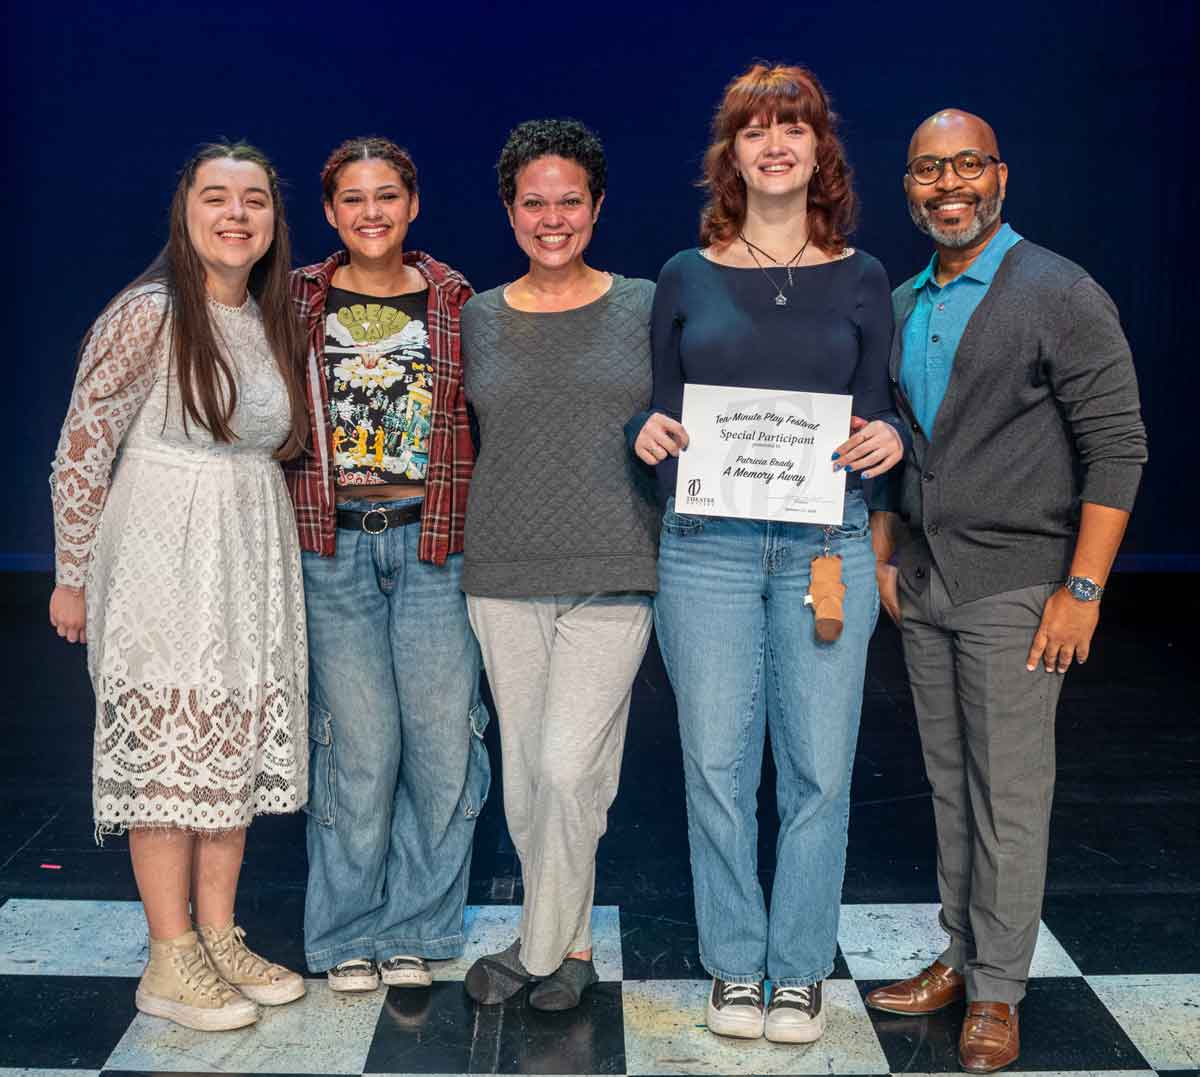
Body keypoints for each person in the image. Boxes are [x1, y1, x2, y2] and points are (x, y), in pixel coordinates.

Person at [864, 110, 1147, 1074]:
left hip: (1021, 582)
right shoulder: (903, 301)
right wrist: (882, 547)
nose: (949, 184)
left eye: (967, 166)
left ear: (1001, 175)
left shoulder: (1058, 291)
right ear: (909, 187)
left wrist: (1084, 587)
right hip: (927, 581)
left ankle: (998, 990)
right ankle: (958, 952)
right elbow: (905, 448)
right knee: (951, 781)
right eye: (928, 170)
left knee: (1010, 791)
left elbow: (1118, 447)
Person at [630, 63, 905, 1044]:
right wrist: (648, 435)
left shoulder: (866, 275)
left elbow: (880, 409)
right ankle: (735, 968)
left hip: (824, 543)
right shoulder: (684, 275)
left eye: (795, 127)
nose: (776, 144)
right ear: (732, 153)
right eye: (757, 130)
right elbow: (660, 404)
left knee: (820, 771)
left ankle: (799, 970)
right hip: (707, 546)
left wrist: (893, 440)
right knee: (713, 763)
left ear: (819, 148)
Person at [48, 142, 310, 1030]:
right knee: (169, 746)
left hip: (245, 546)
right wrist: (72, 576)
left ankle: (218, 935)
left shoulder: (268, 316)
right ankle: (167, 958)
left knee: (226, 742)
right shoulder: (150, 313)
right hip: (164, 545)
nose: (237, 214)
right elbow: (81, 448)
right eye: (216, 197)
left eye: (255, 201)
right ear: (185, 211)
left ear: (274, 222)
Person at [459, 118, 658, 1012]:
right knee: (528, 779)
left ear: (598, 205)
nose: (551, 218)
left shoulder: (649, 305)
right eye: (533, 202)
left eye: (568, 200)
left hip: (617, 565)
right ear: (509, 213)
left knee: (572, 770)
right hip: (502, 569)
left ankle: (533, 952)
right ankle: (569, 943)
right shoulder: (478, 317)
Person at [284, 137, 489, 993]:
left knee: (443, 741)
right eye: (353, 199)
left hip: (433, 539)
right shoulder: (293, 298)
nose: (372, 213)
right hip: (331, 544)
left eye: (388, 197)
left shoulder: (454, 297)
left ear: (414, 205)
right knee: (358, 745)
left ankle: (420, 925)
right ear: (331, 213)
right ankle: (343, 931)